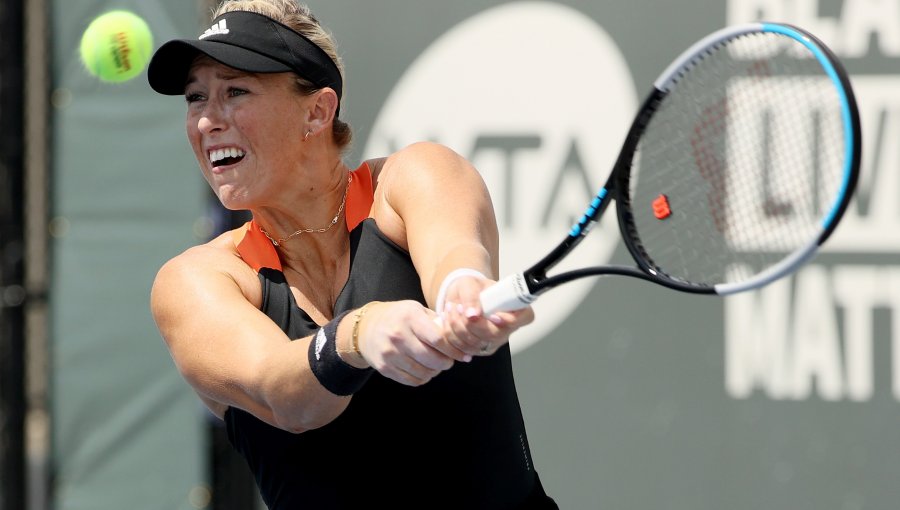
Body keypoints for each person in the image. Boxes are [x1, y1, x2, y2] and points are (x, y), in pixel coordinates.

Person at [148, 1, 558, 508]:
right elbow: (283, 394)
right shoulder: (197, 281)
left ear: (317, 111)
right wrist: (356, 334)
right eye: (195, 98)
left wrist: (462, 293)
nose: (208, 120)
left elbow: (456, 254)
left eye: (235, 91)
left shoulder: (413, 178)